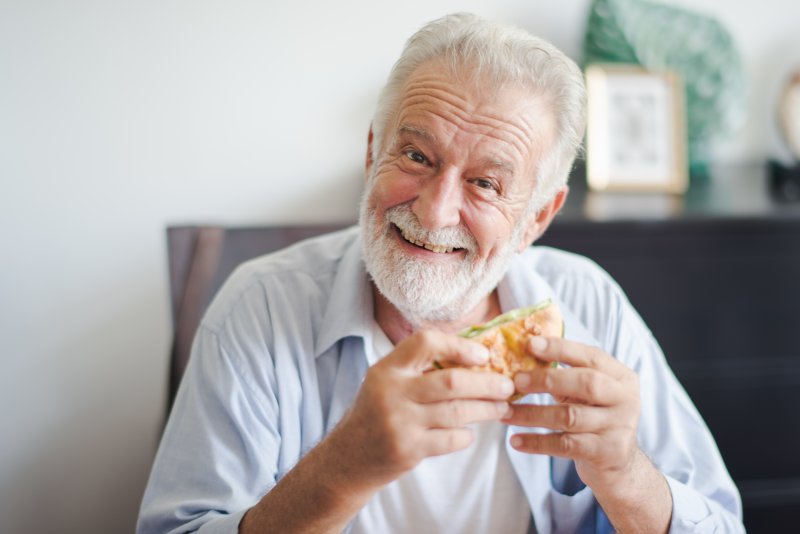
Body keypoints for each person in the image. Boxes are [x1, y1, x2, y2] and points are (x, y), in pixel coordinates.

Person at [138, 13, 744, 533]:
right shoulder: (259, 306)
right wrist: (340, 470)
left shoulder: (591, 304)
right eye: (417, 156)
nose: (434, 210)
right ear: (373, 153)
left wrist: (626, 474)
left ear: (537, 216)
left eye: (485, 183)